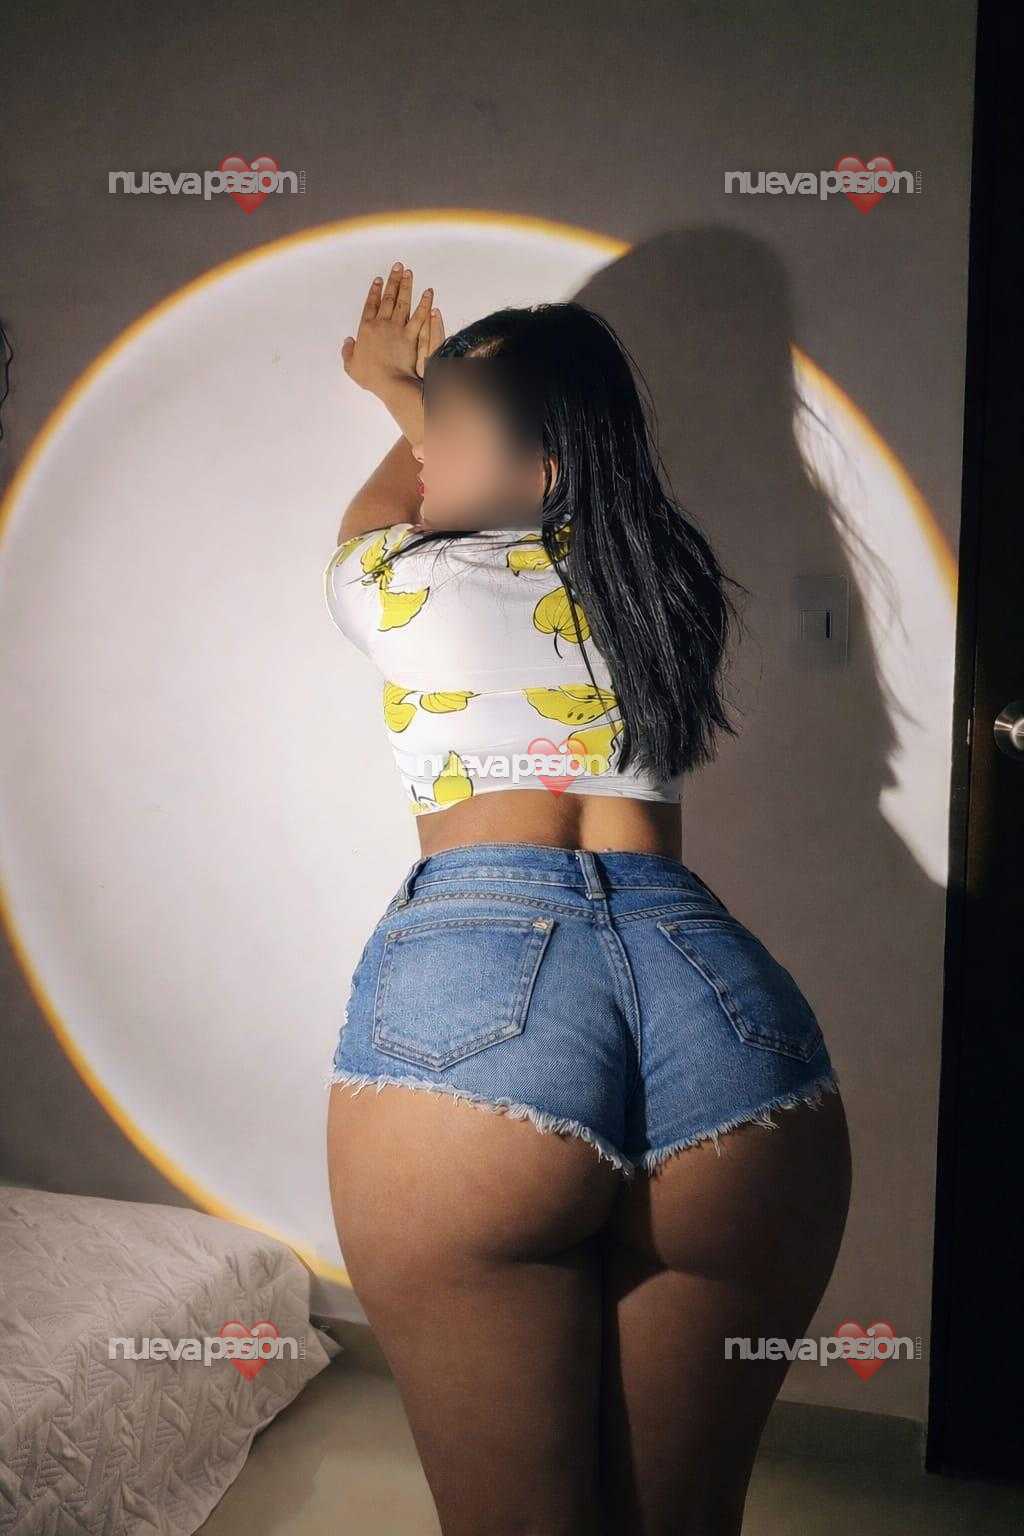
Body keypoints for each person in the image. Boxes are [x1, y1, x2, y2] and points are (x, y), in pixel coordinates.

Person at [323, 261, 852, 1536]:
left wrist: (393, 390)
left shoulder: (399, 581)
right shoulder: (665, 588)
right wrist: (444, 402)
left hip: (480, 1000)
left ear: (540, 466)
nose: (424, 452)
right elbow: (505, 484)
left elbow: (372, 516)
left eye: (447, 430)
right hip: (720, 1010)